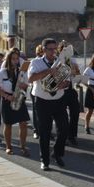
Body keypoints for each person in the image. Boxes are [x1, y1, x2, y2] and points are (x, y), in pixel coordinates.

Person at [28, 38, 69, 171]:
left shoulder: (60, 63)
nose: (53, 52)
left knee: (64, 129)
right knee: (44, 132)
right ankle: (44, 160)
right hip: (42, 100)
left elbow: (67, 80)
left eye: (55, 49)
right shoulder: (36, 62)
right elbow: (31, 78)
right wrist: (48, 72)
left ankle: (57, 153)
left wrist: (65, 84)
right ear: (44, 50)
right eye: (50, 49)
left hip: (58, 99)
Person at [0, 49, 30, 156]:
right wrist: (6, 96)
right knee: (8, 124)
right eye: (13, 59)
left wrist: (25, 86)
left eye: (16, 59)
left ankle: (23, 146)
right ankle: (8, 147)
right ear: (8, 59)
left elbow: (26, 84)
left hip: (19, 98)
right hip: (7, 99)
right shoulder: (2, 72)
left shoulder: (21, 72)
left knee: (23, 123)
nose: (15, 61)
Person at [59, 41, 82, 146]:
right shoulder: (58, 60)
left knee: (75, 113)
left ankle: (72, 135)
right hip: (61, 90)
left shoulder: (72, 60)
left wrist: (77, 71)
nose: (67, 50)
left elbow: (77, 75)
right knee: (61, 116)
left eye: (68, 48)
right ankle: (63, 135)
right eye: (64, 48)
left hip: (71, 89)